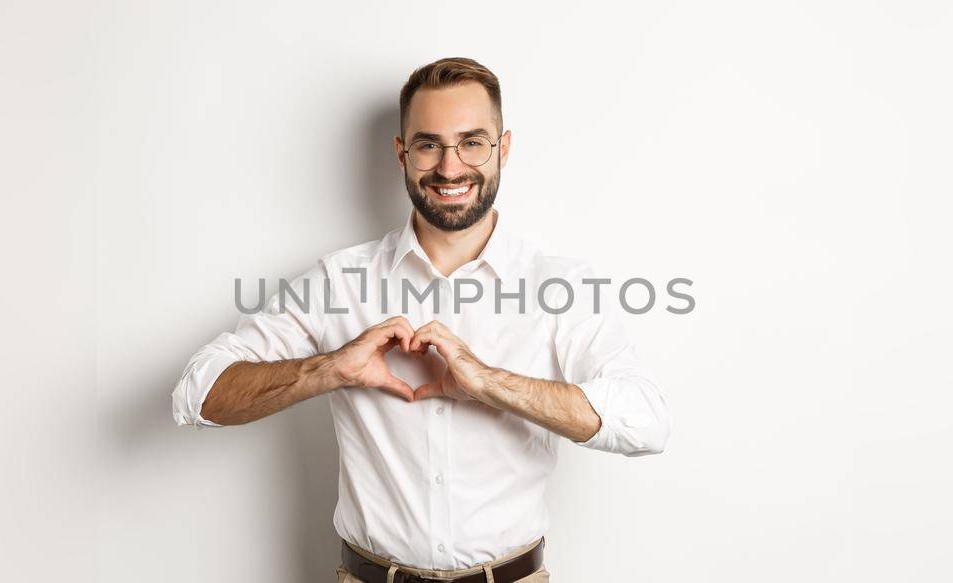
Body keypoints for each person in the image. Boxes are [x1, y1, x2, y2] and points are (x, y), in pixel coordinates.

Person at [173, 57, 671, 583]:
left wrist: (491, 384)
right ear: (401, 152)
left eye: (472, 142)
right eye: (429, 144)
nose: (450, 168)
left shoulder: (560, 286)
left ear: (503, 148)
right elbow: (197, 395)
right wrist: (330, 370)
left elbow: (648, 421)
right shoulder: (337, 282)